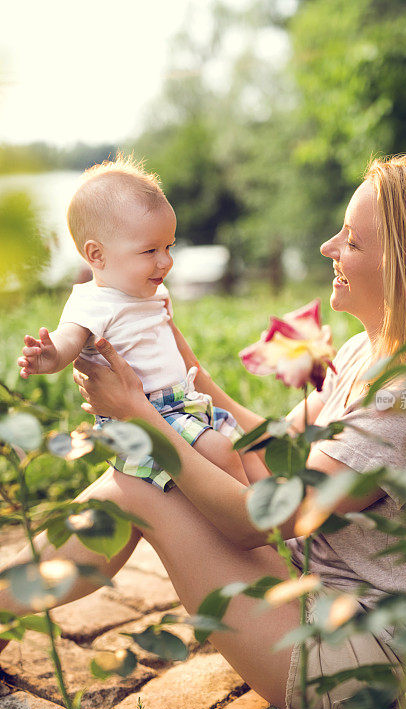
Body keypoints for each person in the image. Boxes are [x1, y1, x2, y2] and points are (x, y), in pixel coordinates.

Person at [1, 154, 406, 709]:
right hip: (321, 593)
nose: (328, 248)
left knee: (137, 486)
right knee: (140, 479)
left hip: (360, 659)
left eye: (352, 242)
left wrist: (143, 420)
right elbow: (280, 443)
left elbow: (255, 521)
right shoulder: (370, 352)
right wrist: (191, 380)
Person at [16, 155, 248, 489]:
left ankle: (244, 514)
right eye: (150, 251)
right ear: (97, 255)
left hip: (185, 402)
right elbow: (69, 338)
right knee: (222, 452)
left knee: (240, 444)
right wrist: (51, 355)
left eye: (168, 246)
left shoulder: (150, 290)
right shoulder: (92, 301)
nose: (165, 261)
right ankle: (251, 525)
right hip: (145, 418)